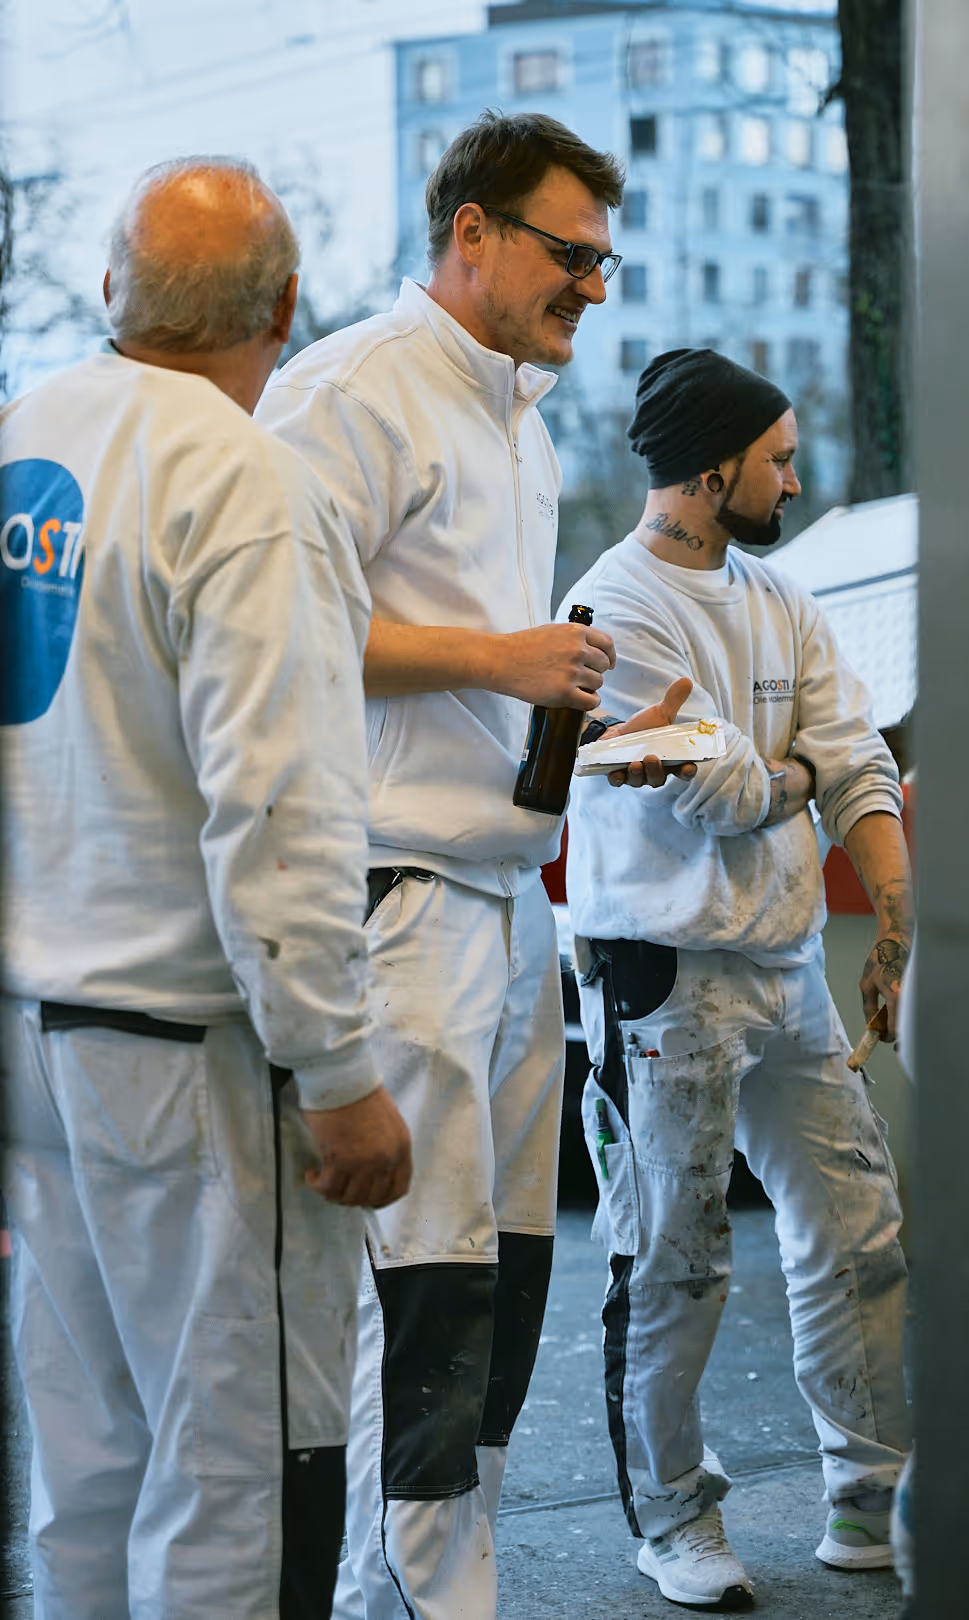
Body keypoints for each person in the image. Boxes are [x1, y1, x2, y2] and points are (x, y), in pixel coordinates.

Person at [0, 157, 411, 1620]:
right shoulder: (248, 486)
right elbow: (282, 807)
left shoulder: (21, 437)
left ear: (112, 287)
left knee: (88, 1453)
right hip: (186, 1054)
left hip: (35, 1034)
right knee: (234, 1470)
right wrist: (340, 1064)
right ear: (288, 309)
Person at [256, 110, 640, 1620]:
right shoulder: (349, 391)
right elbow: (275, 630)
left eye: (606, 261)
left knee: (503, 1269)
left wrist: (571, 707)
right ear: (469, 230)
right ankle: (419, 1590)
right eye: (570, 252)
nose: (593, 285)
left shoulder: (519, 415)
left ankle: (422, 1574)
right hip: (394, 896)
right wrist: (498, 653)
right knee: (419, 1274)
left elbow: (486, 673)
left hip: (503, 890)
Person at [561, 347, 913, 1610]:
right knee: (674, 1257)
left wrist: (893, 913)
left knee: (858, 1225)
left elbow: (854, 749)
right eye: (775, 456)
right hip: (664, 974)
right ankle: (673, 1520)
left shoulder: (783, 596)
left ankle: (865, 1492)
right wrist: (799, 777)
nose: (795, 473)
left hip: (780, 968)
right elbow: (722, 795)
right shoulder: (610, 610)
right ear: (712, 469)